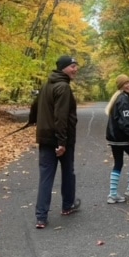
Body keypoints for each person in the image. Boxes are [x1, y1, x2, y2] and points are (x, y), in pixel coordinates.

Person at [29, 56, 80, 228]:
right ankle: (67, 206)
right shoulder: (63, 87)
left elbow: (34, 106)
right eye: (72, 66)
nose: (75, 69)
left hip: (45, 138)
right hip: (61, 140)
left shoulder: (46, 85)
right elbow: (61, 116)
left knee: (46, 177)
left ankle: (41, 217)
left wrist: (33, 120)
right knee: (67, 172)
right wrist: (62, 142)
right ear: (63, 68)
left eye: (76, 66)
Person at [105, 74, 129, 203]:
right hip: (123, 139)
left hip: (114, 139)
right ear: (121, 86)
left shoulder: (117, 99)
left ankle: (112, 194)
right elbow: (125, 122)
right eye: (125, 83)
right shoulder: (123, 100)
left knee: (118, 163)